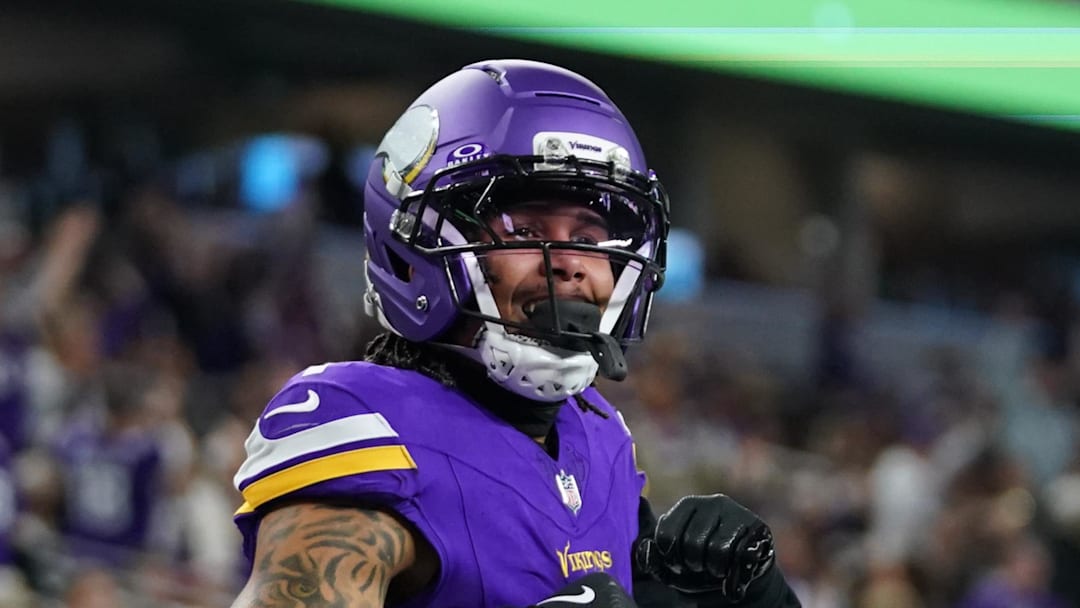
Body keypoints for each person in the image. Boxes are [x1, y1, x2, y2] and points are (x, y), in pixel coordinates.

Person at [230, 59, 801, 608]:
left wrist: (753, 595)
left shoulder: (595, 436)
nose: (571, 261)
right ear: (417, 250)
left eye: (591, 235)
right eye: (525, 229)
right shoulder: (366, 428)